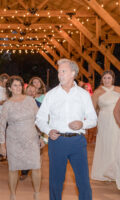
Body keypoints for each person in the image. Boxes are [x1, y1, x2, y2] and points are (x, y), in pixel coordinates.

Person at [36, 59, 97, 200]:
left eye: (63, 71)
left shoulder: (83, 94)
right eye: (59, 72)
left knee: (83, 182)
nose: (60, 75)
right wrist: (49, 130)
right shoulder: (51, 95)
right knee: (56, 182)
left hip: (78, 142)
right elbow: (40, 118)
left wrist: (82, 124)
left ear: (73, 73)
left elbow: (93, 119)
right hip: (57, 142)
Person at [0, 76, 41, 200]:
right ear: (10, 88)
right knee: (13, 169)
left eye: (20, 85)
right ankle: (12, 195)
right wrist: (2, 144)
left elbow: (39, 119)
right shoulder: (7, 104)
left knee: (36, 166)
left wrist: (42, 137)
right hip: (14, 140)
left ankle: (37, 194)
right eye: (15, 85)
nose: (18, 87)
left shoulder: (30, 100)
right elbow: (1, 126)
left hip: (31, 138)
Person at [91, 70, 120, 181]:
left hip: (118, 119)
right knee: (106, 144)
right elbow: (92, 109)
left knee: (117, 144)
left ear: (113, 79)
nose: (107, 80)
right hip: (105, 119)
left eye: (109, 78)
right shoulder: (97, 92)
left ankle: (116, 171)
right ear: (102, 79)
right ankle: (103, 172)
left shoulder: (119, 90)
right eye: (105, 78)